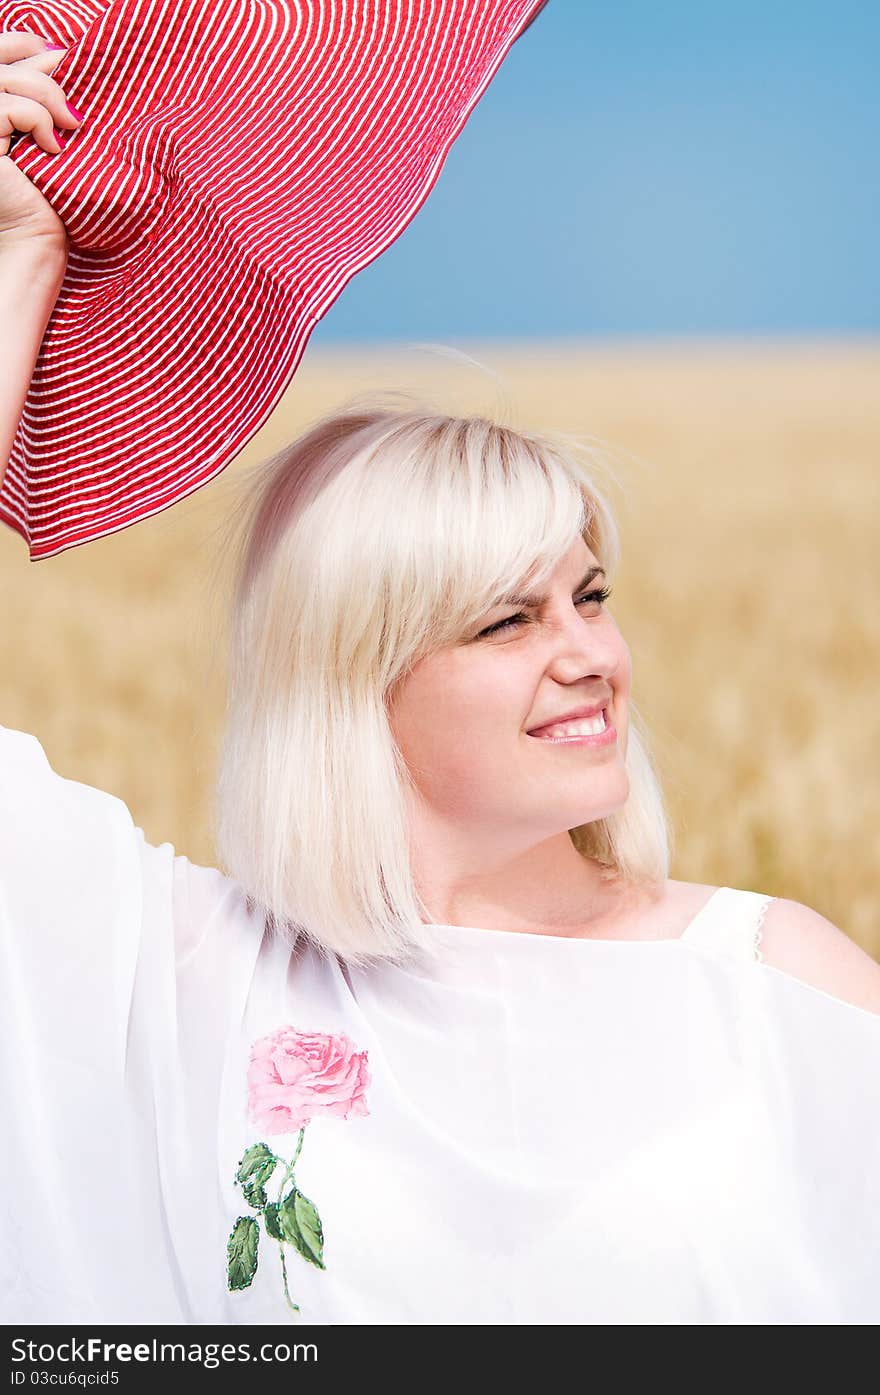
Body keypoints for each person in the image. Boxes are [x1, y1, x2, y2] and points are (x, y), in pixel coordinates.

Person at [2, 40, 880, 1329]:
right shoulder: (194, 979)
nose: (585, 652)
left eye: (588, 595)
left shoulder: (767, 977)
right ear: (353, 680)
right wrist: (24, 250)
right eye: (499, 622)